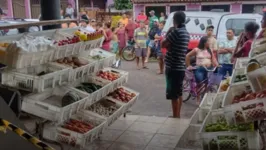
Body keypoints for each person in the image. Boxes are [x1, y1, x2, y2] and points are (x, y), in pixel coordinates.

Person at [161, 11, 190, 118]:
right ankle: (177, 114)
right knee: (179, 93)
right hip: (181, 67)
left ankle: (175, 116)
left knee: (174, 95)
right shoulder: (186, 32)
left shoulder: (176, 32)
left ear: (174, 21)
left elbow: (163, 44)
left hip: (173, 68)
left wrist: (167, 41)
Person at [186, 36, 218, 104]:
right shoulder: (196, 50)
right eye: (208, 42)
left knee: (206, 83)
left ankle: (204, 97)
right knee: (199, 84)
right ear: (204, 43)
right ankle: (198, 99)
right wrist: (189, 65)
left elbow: (213, 59)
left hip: (208, 69)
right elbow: (187, 56)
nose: (209, 43)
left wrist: (217, 64)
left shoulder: (210, 50)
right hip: (199, 69)